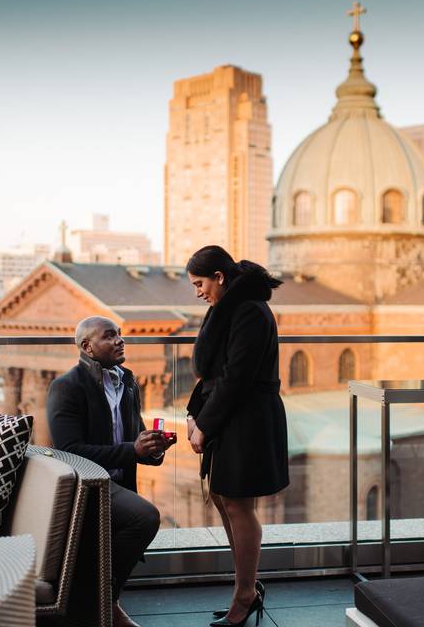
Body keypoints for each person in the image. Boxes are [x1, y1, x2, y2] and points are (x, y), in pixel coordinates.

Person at [185, 245, 290, 627]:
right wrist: (193, 415)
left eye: (200, 283)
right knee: (222, 496)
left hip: (248, 418)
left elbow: (237, 378)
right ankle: (245, 587)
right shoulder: (229, 308)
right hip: (233, 415)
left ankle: (245, 593)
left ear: (220, 277)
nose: (197, 292)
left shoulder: (247, 310)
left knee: (237, 502)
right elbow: (216, 376)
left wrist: (205, 424)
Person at [46, 316, 173, 627]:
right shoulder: (66, 387)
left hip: (118, 484)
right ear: (87, 347)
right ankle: (100, 602)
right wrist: (132, 450)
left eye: (119, 334)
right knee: (145, 517)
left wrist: (152, 449)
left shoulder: (127, 383)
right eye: (109, 336)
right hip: (85, 486)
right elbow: (70, 452)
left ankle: (95, 600)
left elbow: (134, 438)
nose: (119, 340)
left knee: (136, 519)